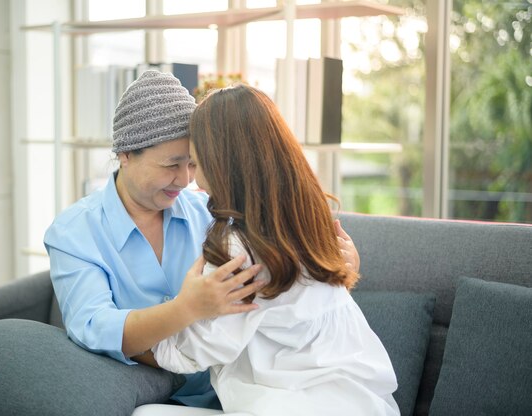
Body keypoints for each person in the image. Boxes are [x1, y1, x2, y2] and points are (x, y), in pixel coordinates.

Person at [44, 71, 361, 410]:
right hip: (153, 390)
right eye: (171, 164)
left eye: (193, 163)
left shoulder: (218, 213)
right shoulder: (74, 233)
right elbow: (92, 326)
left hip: (246, 393)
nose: (185, 180)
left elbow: (284, 288)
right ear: (125, 154)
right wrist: (184, 310)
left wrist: (333, 273)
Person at [150, 84, 399, 416]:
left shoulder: (239, 247)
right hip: (360, 400)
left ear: (226, 163)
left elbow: (203, 348)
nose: (193, 181)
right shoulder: (309, 218)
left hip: (290, 404)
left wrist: (144, 331)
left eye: (196, 163)